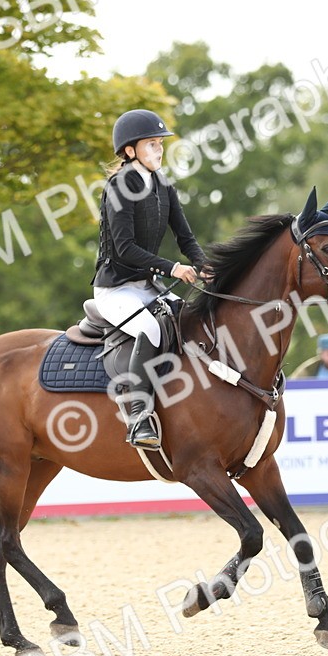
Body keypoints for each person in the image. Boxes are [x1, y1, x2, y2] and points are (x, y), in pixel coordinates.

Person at [92, 109, 210, 450]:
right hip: (115, 288)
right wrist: (174, 269)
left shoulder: (163, 184)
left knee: (193, 320)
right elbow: (125, 249)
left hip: (147, 287)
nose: (159, 151)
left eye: (160, 144)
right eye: (151, 144)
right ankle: (139, 416)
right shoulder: (119, 187)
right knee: (150, 330)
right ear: (130, 151)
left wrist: (204, 265)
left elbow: (185, 238)